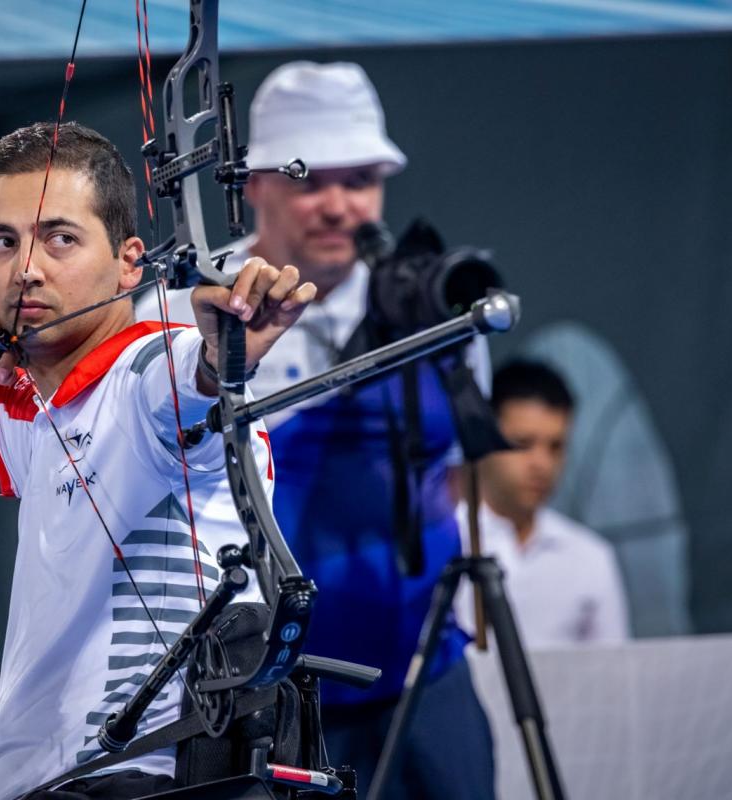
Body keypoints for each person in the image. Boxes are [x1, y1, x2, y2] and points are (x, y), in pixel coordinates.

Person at [0, 121, 315, 800]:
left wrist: (222, 360)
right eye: (3, 242)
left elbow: (184, 383)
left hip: (147, 772)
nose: (26, 268)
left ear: (131, 262)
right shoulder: (21, 405)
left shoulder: (142, 374)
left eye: (59, 238)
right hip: (46, 779)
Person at [137, 61, 495, 799]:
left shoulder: (434, 304)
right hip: (257, 697)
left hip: (423, 677)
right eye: (310, 179)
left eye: (359, 179)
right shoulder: (180, 313)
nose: (338, 205)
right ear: (253, 183)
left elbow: (457, 474)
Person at [455, 359, 630, 648]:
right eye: (522, 443)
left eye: (556, 447)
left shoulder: (590, 557)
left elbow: (613, 676)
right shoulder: (449, 542)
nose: (541, 464)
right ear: (484, 438)